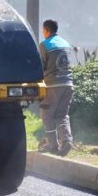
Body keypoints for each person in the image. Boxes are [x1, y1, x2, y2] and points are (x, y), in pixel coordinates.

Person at [38, 19, 74, 156]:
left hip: (53, 84)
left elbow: (40, 66)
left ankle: (52, 144)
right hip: (68, 84)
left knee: (47, 114)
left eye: (43, 30)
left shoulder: (45, 45)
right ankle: (67, 140)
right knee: (62, 114)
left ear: (46, 30)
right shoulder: (65, 43)